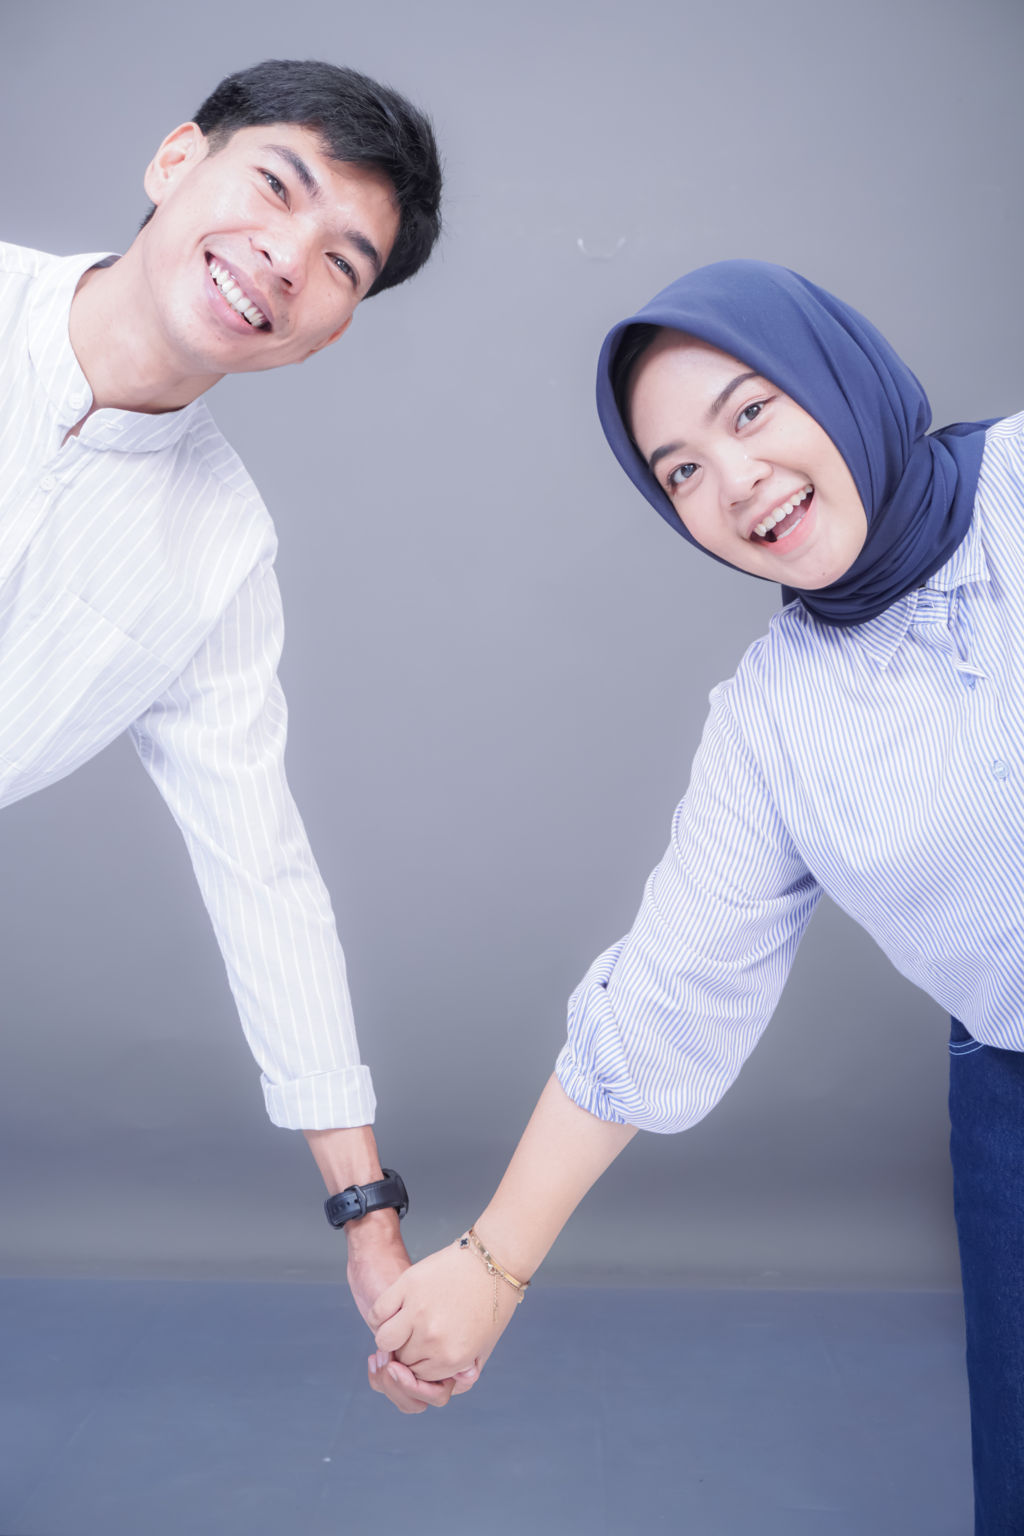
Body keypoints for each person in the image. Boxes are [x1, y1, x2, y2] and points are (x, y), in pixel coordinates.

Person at [368, 260, 1024, 1520]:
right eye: (679, 470)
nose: (735, 481)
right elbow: (665, 999)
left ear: (837, 378)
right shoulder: (772, 720)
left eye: (751, 411)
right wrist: (488, 1273)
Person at [2, 57, 452, 1412]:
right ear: (173, 161)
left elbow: (263, 875)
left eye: (341, 262)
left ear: (327, 335)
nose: (285, 257)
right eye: (275, 185)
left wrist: (366, 1213)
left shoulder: (218, 551)